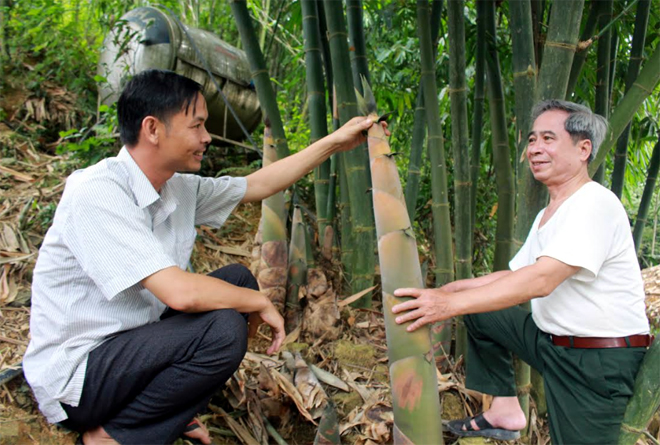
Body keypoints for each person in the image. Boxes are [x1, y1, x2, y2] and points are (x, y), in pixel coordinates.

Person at [23, 69, 380, 445]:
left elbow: (260, 184)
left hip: (128, 351)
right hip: (79, 377)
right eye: (196, 126)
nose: (207, 137)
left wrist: (335, 143)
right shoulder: (98, 192)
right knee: (223, 330)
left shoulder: (176, 186)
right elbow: (181, 294)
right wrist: (258, 301)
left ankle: (164, 413)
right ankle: (113, 436)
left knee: (237, 281)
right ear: (153, 129)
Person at [392, 99, 652, 444]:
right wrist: (451, 291)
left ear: (583, 148)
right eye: (532, 139)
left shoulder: (594, 203)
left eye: (548, 138)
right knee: (483, 314)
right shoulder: (552, 211)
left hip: (597, 363)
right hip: (553, 346)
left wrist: (447, 306)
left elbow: (541, 280)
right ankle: (505, 410)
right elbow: (514, 274)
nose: (535, 148)